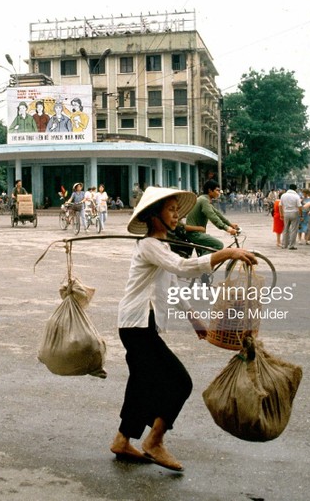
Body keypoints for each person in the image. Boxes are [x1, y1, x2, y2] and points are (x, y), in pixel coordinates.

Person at [110, 186, 256, 471]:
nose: (176, 215)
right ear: (155, 217)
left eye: (177, 210)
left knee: (141, 383)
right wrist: (225, 253)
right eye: (171, 210)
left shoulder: (161, 247)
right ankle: (154, 441)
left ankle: (122, 440)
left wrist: (193, 318)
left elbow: (172, 284)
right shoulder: (150, 245)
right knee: (179, 381)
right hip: (136, 324)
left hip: (140, 323)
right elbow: (182, 267)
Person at [183, 180, 237, 251]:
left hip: (198, 233)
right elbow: (213, 217)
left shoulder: (204, 199)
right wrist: (228, 229)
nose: (218, 193)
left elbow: (218, 214)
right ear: (210, 190)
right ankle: (205, 261)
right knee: (218, 245)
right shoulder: (204, 200)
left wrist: (230, 224)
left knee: (205, 252)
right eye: (217, 190)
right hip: (195, 234)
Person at [279, 184, 302, 250]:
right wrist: (301, 215)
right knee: (294, 229)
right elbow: (299, 206)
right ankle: (291, 245)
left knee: (285, 229)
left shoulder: (283, 195)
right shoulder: (296, 196)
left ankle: (284, 244)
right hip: (294, 213)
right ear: (295, 189)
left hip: (286, 213)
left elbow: (280, 205)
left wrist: (281, 214)